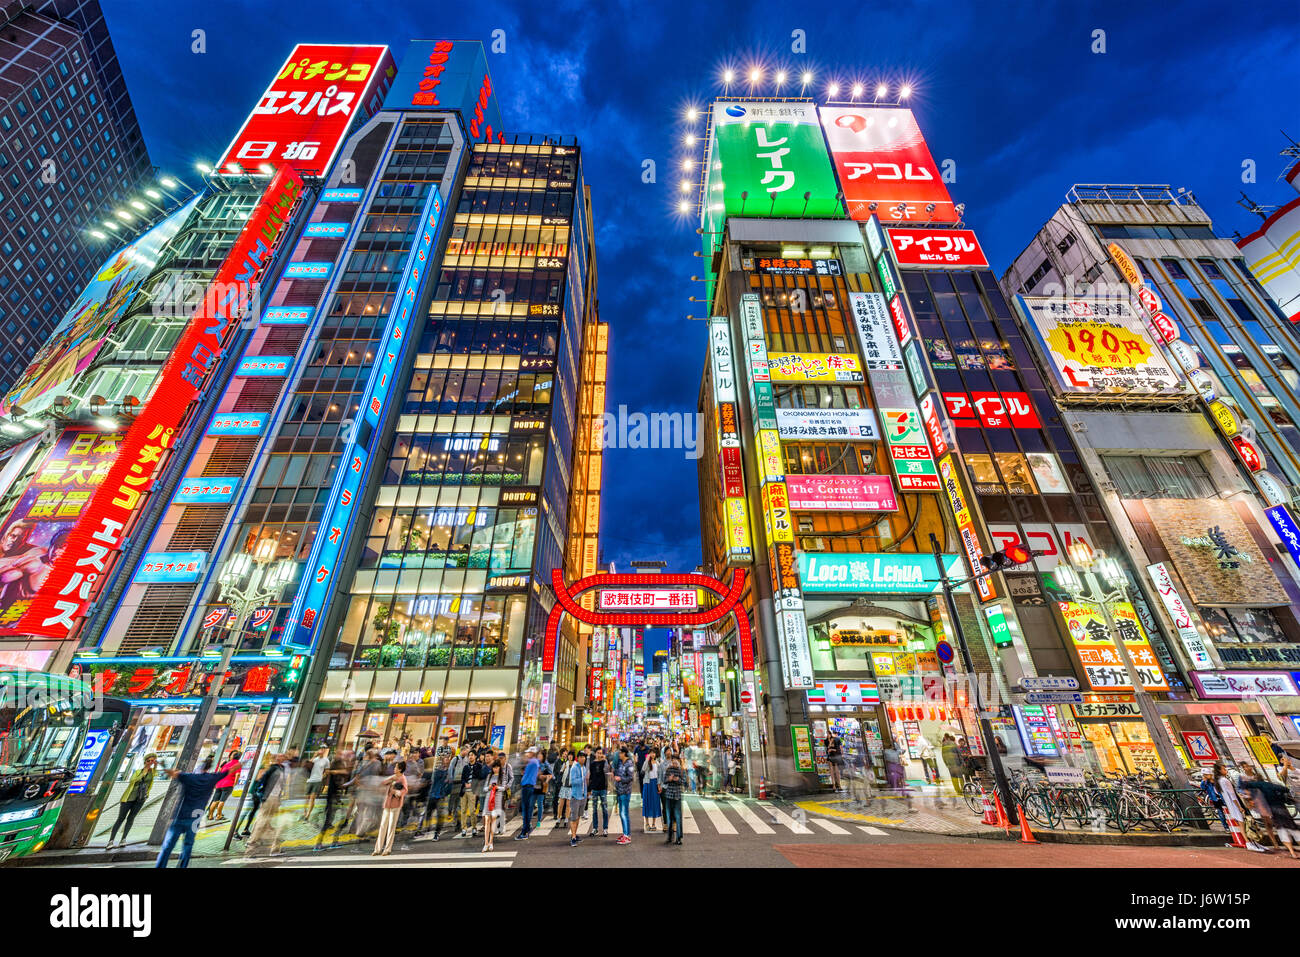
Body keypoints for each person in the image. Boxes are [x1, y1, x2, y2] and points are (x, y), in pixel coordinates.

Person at [154, 762, 226, 868]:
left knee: (167, 846)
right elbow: (228, 771)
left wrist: (160, 764)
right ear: (208, 768)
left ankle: (160, 866)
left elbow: (172, 773)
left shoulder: (189, 777)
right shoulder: (211, 778)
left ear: (199, 769)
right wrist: (242, 763)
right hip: (195, 818)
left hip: (180, 816)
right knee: (188, 845)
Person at [1214, 761, 1266, 853]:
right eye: (1224, 769)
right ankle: (1249, 843)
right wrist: (1239, 807)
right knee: (1244, 824)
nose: (1226, 770)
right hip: (1236, 804)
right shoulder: (1225, 781)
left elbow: (1220, 793)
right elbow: (1232, 795)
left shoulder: (1218, 782)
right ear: (1219, 770)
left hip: (1231, 805)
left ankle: (1252, 843)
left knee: (1243, 824)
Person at [106, 753, 157, 847]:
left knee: (131, 818)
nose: (150, 762)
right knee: (121, 818)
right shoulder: (138, 771)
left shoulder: (152, 773)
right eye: (148, 760)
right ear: (145, 761)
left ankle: (123, 839)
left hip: (140, 799)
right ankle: (111, 840)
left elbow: (156, 772)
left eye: (152, 761)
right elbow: (132, 781)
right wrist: (143, 773)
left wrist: (155, 764)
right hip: (129, 797)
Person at [374, 760, 408, 856]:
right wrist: (389, 781)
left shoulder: (402, 778)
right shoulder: (394, 777)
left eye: (396, 767)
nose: (394, 769)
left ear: (400, 769)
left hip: (395, 805)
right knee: (383, 825)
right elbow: (383, 782)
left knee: (391, 828)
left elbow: (405, 790)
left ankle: (387, 849)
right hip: (387, 804)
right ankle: (377, 849)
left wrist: (396, 792)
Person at [205, 748, 242, 823]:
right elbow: (237, 774)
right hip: (228, 784)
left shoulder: (226, 763)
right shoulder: (237, 764)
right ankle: (218, 815)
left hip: (219, 783)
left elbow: (220, 772)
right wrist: (235, 783)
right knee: (222, 801)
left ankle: (210, 815)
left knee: (215, 800)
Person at [482, 755, 508, 852]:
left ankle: (491, 842)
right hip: (488, 798)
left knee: (493, 820)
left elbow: (504, 787)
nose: (495, 769)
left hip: (497, 799)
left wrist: (497, 787)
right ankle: (485, 843)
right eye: (494, 767)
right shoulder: (489, 776)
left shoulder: (503, 776)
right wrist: (489, 787)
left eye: (497, 767)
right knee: (487, 820)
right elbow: (484, 789)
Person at [516, 747, 541, 840]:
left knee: (526, 810)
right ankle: (526, 828)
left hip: (527, 786)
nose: (527, 754)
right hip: (528, 786)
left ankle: (525, 831)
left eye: (529, 752)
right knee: (526, 809)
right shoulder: (534, 762)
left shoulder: (533, 762)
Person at [661, 753, 686, 846]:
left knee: (678, 817)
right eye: (673, 760)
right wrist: (669, 779)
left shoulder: (681, 770)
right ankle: (670, 837)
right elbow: (664, 780)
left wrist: (677, 780)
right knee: (669, 817)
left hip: (677, 796)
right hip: (668, 796)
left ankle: (679, 838)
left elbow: (684, 782)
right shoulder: (668, 769)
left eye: (676, 760)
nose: (675, 762)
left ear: (678, 761)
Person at [566, 750, 589, 847]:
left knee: (579, 816)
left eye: (584, 757)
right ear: (578, 758)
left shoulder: (584, 768)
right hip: (575, 795)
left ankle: (575, 834)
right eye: (581, 757)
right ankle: (573, 837)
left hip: (583, 795)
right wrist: (583, 778)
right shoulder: (574, 768)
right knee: (573, 817)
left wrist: (586, 793)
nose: (583, 758)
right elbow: (573, 782)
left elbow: (585, 783)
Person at [614, 747, 635, 845]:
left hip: (625, 792)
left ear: (624, 754)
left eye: (620, 753)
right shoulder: (619, 763)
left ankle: (627, 836)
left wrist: (620, 779)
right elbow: (616, 772)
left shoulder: (629, 763)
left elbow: (630, 778)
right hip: (619, 791)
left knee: (624, 813)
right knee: (622, 814)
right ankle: (625, 833)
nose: (619, 754)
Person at [302, 747, 329, 821]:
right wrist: (314, 756)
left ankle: (308, 815)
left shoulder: (326, 760)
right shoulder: (315, 759)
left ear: (325, 751)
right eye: (320, 749)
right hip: (310, 780)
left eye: (323, 749)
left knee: (312, 798)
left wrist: (321, 777)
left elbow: (326, 771)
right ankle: (304, 812)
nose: (322, 751)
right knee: (306, 798)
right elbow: (308, 765)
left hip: (317, 781)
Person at [587, 747, 610, 837]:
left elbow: (607, 771)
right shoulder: (592, 764)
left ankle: (605, 829)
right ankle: (595, 828)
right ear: (595, 753)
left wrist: (605, 760)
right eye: (598, 753)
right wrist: (590, 789)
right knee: (594, 810)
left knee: (604, 809)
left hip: (603, 788)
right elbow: (591, 777)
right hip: (595, 789)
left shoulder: (604, 762)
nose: (600, 755)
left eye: (601, 753)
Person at [457, 750, 479, 837]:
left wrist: (472, 784)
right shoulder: (466, 767)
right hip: (464, 791)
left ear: (475, 756)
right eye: (469, 755)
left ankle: (474, 827)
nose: (470, 757)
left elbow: (479, 778)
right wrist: (465, 783)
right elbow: (462, 778)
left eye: (472, 755)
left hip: (472, 791)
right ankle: (464, 828)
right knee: (463, 811)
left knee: (472, 811)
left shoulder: (479, 766)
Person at [641, 748, 662, 832]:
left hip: (655, 784)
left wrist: (659, 785)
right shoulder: (647, 762)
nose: (653, 754)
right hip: (647, 783)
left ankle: (653, 823)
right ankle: (646, 823)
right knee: (646, 802)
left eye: (654, 753)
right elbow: (643, 769)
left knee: (655, 802)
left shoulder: (657, 763)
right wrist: (647, 759)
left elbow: (659, 775)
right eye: (651, 753)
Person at [940, 734, 966, 799]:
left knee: (953, 777)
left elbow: (943, 755)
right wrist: (962, 762)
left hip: (950, 764)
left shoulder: (943, 745)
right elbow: (958, 753)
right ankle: (963, 789)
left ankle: (958, 791)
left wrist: (946, 763)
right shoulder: (953, 743)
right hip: (957, 763)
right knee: (960, 776)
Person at [555, 749, 574, 830]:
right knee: (561, 804)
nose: (569, 756)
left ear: (573, 756)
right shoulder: (565, 763)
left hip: (570, 787)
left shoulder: (575, 765)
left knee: (568, 805)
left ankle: (566, 820)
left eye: (571, 755)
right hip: (563, 786)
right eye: (568, 755)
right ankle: (558, 819)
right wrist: (563, 769)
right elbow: (560, 773)